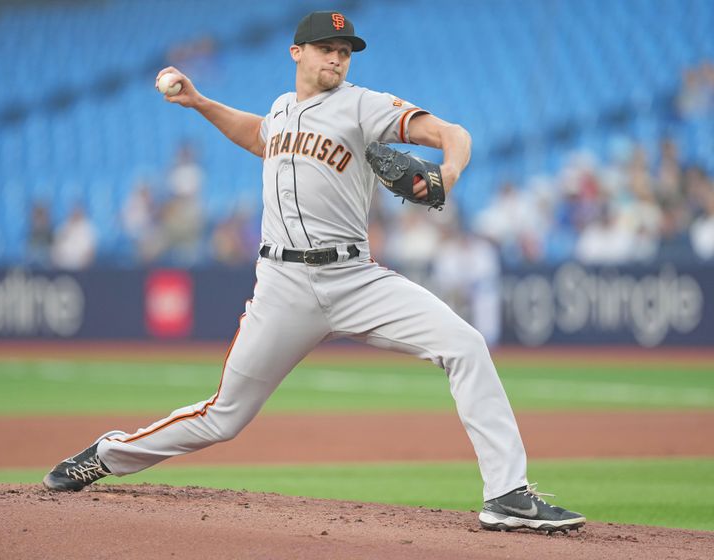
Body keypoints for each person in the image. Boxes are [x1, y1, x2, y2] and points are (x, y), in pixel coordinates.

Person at [43, 11, 585, 533]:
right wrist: (201, 102)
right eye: (328, 49)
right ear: (296, 52)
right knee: (224, 417)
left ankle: (508, 495)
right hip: (282, 288)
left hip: (356, 279)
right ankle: (108, 454)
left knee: (465, 345)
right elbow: (259, 136)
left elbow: (453, 132)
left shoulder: (361, 106)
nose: (338, 59)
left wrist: (449, 172)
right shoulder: (281, 109)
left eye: (345, 52)